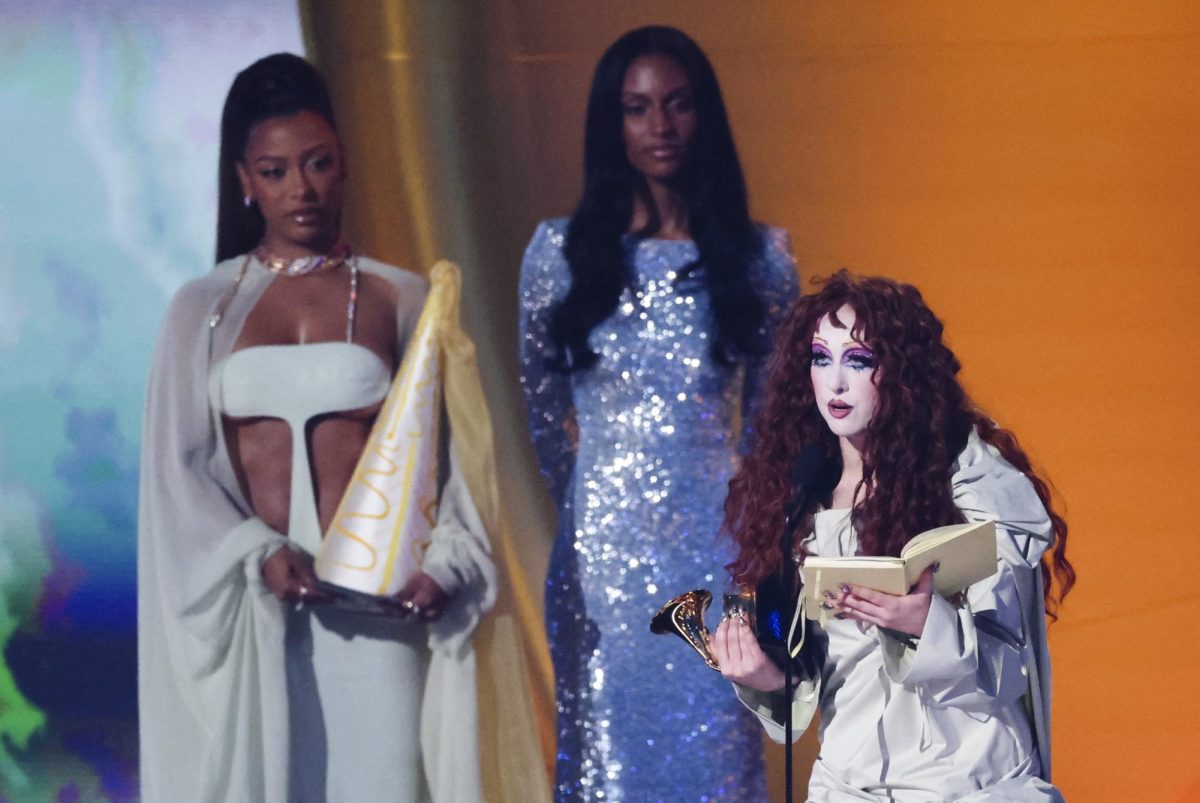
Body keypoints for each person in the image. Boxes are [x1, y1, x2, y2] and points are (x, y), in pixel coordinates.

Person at [137, 53, 495, 803]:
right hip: (258, 626)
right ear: (242, 178)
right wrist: (256, 552)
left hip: (378, 625)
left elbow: (459, 468)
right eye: (273, 171)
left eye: (317, 163)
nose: (300, 188)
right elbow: (177, 473)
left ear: (343, 161)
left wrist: (448, 568)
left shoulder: (405, 298)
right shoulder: (197, 309)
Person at [519, 25, 798, 802]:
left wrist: (747, 537)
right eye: (637, 108)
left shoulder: (760, 259)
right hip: (601, 553)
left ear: (704, 114)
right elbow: (542, 413)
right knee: (610, 759)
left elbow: (773, 427)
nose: (660, 127)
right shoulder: (559, 254)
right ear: (612, 125)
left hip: (716, 551)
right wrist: (587, 509)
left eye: (677, 105)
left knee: (717, 758)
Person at [709, 271, 1075, 802]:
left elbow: (1008, 672)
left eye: (858, 361)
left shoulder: (972, 487)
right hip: (848, 785)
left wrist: (930, 626)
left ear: (902, 374)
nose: (835, 382)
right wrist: (764, 675)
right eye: (820, 358)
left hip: (965, 785)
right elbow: (816, 681)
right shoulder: (797, 498)